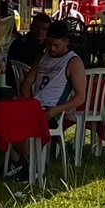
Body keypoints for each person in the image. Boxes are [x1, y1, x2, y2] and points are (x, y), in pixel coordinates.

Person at [9, 21, 86, 180]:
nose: (52, 48)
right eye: (49, 44)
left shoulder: (73, 62)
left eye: (56, 45)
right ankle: (27, 160)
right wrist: (27, 102)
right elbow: (27, 83)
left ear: (66, 42)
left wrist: (57, 110)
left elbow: (80, 97)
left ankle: (29, 163)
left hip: (52, 110)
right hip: (35, 105)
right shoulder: (43, 56)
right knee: (6, 118)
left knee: (15, 122)